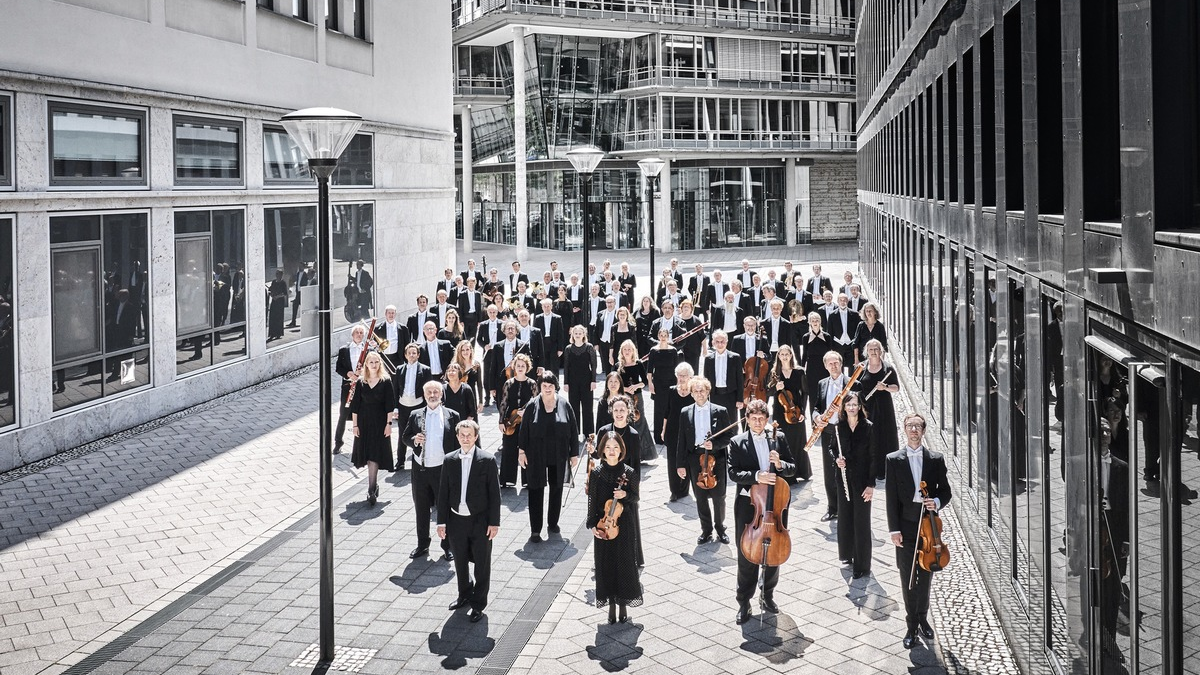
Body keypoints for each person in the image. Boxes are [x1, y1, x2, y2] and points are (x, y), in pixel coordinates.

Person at [886, 413, 952, 649]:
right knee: (907, 577)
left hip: (929, 527)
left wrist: (935, 500)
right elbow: (891, 498)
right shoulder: (893, 459)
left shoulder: (935, 459)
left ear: (923, 431)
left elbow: (946, 492)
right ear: (904, 429)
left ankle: (923, 618)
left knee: (926, 575)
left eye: (918, 426)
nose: (914, 429)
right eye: (910, 426)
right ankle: (911, 624)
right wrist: (894, 529)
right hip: (905, 525)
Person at [728, 399, 796, 624]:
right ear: (747, 419)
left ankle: (768, 594)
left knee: (774, 551)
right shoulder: (737, 442)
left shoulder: (779, 438)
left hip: (776, 505)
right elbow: (733, 473)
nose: (757, 423)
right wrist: (757, 476)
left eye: (761, 419)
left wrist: (780, 465)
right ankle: (744, 601)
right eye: (753, 419)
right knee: (747, 554)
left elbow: (793, 468)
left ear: (767, 420)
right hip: (750, 506)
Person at [437, 420, 500, 624]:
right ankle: (464, 594)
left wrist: (494, 523)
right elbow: (443, 493)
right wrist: (441, 523)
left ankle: (478, 604)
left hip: (480, 520)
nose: (465, 438)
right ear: (457, 437)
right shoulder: (449, 460)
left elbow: (494, 495)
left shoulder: (487, 460)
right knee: (460, 561)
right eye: (462, 435)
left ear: (475, 437)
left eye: (469, 435)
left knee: (482, 564)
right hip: (456, 521)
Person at [402, 381, 461, 561]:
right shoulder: (415, 414)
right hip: (421, 469)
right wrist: (414, 440)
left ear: (441, 394)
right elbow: (405, 437)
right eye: (429, 392)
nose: (433, 394)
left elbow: (460, 444)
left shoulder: (453, 415)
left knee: (445, 508)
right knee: (421, 509)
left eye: (436, 391)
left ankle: (448, 546)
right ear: (424, 394)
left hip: (443, 469)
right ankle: (422, 544)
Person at [587, 432, 643, 624]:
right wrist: (592, 524)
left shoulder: (629, 472)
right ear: (602, 450)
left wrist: (625, 494)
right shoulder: (596, 473)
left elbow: (635, 498)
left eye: (615, 448)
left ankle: (623, 604)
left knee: (625, 563)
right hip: (604, 526)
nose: (612, 452)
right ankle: (610, 604)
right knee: (606, 565)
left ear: (621, 450)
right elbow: (592, 502)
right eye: (608, 448)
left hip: (624, 525)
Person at [517, 372, 580, 542]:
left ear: (555, 387)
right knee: (536, 490)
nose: (547, 389)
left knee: (556, 488)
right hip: (536, 453)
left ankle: (553, 523)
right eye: (544, 386)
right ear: (539, 387)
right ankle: (535, 530)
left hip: (558, 453)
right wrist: (521, 452)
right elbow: (523, 431)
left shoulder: (565, 404)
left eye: (550, 386)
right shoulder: (532, 405)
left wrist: (574, 453)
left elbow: (574, 429)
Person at [676, 377, 735, 545]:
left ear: (708, 392)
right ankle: (706, 530)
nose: (699, 394)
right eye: (696, 391)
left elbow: (729, 437)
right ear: (691, 394)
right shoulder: (685, 412)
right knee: (700, 496)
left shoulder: (720, 411)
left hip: (716, 458)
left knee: (719, 497)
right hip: (695, 458)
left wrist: (714, 444)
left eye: (702, 390)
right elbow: (681, 440)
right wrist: (680, 464)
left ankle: (720, 528)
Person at [593, 394, 644, 566]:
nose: (619, 413)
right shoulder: (603, 431)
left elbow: (636, 466)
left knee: (627, 521)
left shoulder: (633, 434)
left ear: (628, 411)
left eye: (622, 409)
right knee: (605, 518)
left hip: (625, 484)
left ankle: (631, 557)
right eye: (616, 410)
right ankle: (604, 558)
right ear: (611, 411)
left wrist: (629, 490)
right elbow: (599, 456)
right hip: (606, 480)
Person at [832, 392, 876, 579]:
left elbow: (874, 457)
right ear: (844, 407)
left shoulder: (868, 427)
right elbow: (832, 448)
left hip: (862, 479)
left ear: (860, 407)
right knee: (846, 516)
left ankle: (862, 564)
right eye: (848, 404)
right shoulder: (838, 427)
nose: (851, 408)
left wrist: (871, 485)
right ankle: (848, 555)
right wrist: (837, 459)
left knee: (861, 521)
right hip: (843, 478)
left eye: (855, 404)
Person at [351, 352, 396, 505]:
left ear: (380, 364)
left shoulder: (385, 381)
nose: (374, 364)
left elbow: (390, 405)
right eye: (371, 362)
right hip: (364, 423)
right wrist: (355, 426)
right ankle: (373, 486)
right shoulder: (361, 382)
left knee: (375, 455)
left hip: (380, 422)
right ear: (366, 364)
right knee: (368, 454)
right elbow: (355, 406)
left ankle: (371, 489)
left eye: (376, 362)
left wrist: (389, 424)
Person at [814, 350, 851, 522]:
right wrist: (818, 417)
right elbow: (816, 407)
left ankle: (848, 507)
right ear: (825, 366)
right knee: (829, 471)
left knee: (847, 469)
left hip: (845, 431)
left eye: (836, 362)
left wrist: (843, 408)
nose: (833, 366)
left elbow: (860, 407)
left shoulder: (852, 383)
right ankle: (832, 507)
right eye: (830, 363)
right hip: (828, 430)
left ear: (841, 363)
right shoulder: (822, 383)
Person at [859, 339, 900, 480]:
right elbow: (854, 388)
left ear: (881, 351)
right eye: (871, 350)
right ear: (867, 352)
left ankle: (886, 469)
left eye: (876, 349)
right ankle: (870, 470)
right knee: (869, 437)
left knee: (885, 436)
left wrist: (885, 387)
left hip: (884, 408)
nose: (874, 352)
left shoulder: (888, 368)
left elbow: (896, 387)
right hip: (867, 407)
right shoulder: (861, 367)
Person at [770, 344, 810, 481]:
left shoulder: (799, 372)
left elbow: (805, 393)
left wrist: (803, 411)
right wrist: (776, 388)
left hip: (796, 411)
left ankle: (801, 472)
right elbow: (767, 391)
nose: (785, 357)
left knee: (798, 441)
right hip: (780, 413)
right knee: (783, 442)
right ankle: (786, 475)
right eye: (782, 354)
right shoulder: (775, 373)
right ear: (778, 356)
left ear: (791, 355)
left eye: (787, 354)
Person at [498, 354, 536, 488]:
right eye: (518, 366)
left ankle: (528, 479)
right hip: (511, 420)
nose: (520, 368)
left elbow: (536, 403)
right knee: (508, 447)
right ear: (514, 367)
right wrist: (501, 421)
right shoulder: (508, 383)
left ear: (527, 368)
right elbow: (503, 403)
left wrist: (527, 412)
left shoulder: (532, 384)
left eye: (523, 366)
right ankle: (507, 478)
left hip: (527, 420)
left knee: (528, 448)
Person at [662, 363, 695, 502]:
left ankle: (684, 489)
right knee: (672, 460)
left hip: (688, 431)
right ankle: (674, 490)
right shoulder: (671, 390)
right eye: (679, 375)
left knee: (686, 458)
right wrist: (663, 430)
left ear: (690, 377)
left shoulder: (694, 393)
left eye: (684, 376)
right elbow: (666, 412)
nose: (681, 378)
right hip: (672, 429)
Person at [333, 325, 369, 453]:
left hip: (363, 386)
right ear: (352, 335)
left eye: (361, 333)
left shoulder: (368, 350)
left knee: (363, 414)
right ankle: (338, 442)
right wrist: (348, 374)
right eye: (357, 333)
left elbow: (374, 367)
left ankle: (362, 443)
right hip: (348, 386)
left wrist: (363, 372)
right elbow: (338, 368)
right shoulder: (344, 350)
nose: (359, 335)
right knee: (343, 414)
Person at [646, 327, 683, 446]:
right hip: (658, 384)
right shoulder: (653, 350)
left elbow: (677, 369)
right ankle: (658, 437)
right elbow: (649, 370)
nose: (663, 338)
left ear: (668, 337)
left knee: (670, 409)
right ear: (658, 337)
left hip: (671, 383)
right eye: (661, 335)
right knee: (659, 411)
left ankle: (669, 436)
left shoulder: (673, 350)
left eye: (665, 336)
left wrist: (678, 384)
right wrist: (650, 384)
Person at [562, 324, 598, 436]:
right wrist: (565, 383)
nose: (578, 335)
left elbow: (594, 365)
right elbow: (566, 366)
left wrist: (593, 381)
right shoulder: (568, 349)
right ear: (573, 334)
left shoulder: (589, 347)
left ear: (584, 334)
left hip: (586, 381)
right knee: (574, 407)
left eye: (580, 333)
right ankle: (575, 432)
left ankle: (589, 433)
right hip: (573, 381)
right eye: (576, 333)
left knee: (588, 407)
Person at [799, 312, 835, 420]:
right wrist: (801, 368)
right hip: (811, 369)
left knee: (824, 393)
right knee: (813, 395)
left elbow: (830, 353)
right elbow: (804, 354)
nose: (815, 323)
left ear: (820, 322)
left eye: (817, 320)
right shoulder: (806, 337)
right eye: (813, 320)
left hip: (824, 368)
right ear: (809, 322)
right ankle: (814, 420)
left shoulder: (827, 336)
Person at [703, 331, 744, 416]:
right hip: (715, 395)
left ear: (726, 342)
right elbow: (706, 379)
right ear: (713, 342)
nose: (720, 344)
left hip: (730, 395)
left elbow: (740, 379)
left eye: (722, 342)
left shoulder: (735, 357)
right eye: (717, 342)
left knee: (731, 421)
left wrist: (740, 399)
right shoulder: (708, 359)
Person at [451, 339, 483, 406]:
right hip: (458, 396)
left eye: (467, 349)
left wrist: (481, 402)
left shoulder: (476, 364)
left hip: (472, 395)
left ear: (471, 350)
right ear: (459, 351)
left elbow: (479, 384)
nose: (465, 352)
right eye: (463, 350)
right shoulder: (455, 365)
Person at [267, 269, 288, 340]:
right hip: (274, 302)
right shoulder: (273, 282)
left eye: (278, 274)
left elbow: (284, 293)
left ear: (281, 275)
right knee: (272, 317)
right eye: (276, 274)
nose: (277, 275)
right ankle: (272, 333)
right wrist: (272, 295)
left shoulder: (283, 283)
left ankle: (278, 333)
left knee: (279, 318)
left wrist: (277, 297)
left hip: (280, 302)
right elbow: (270, 290)